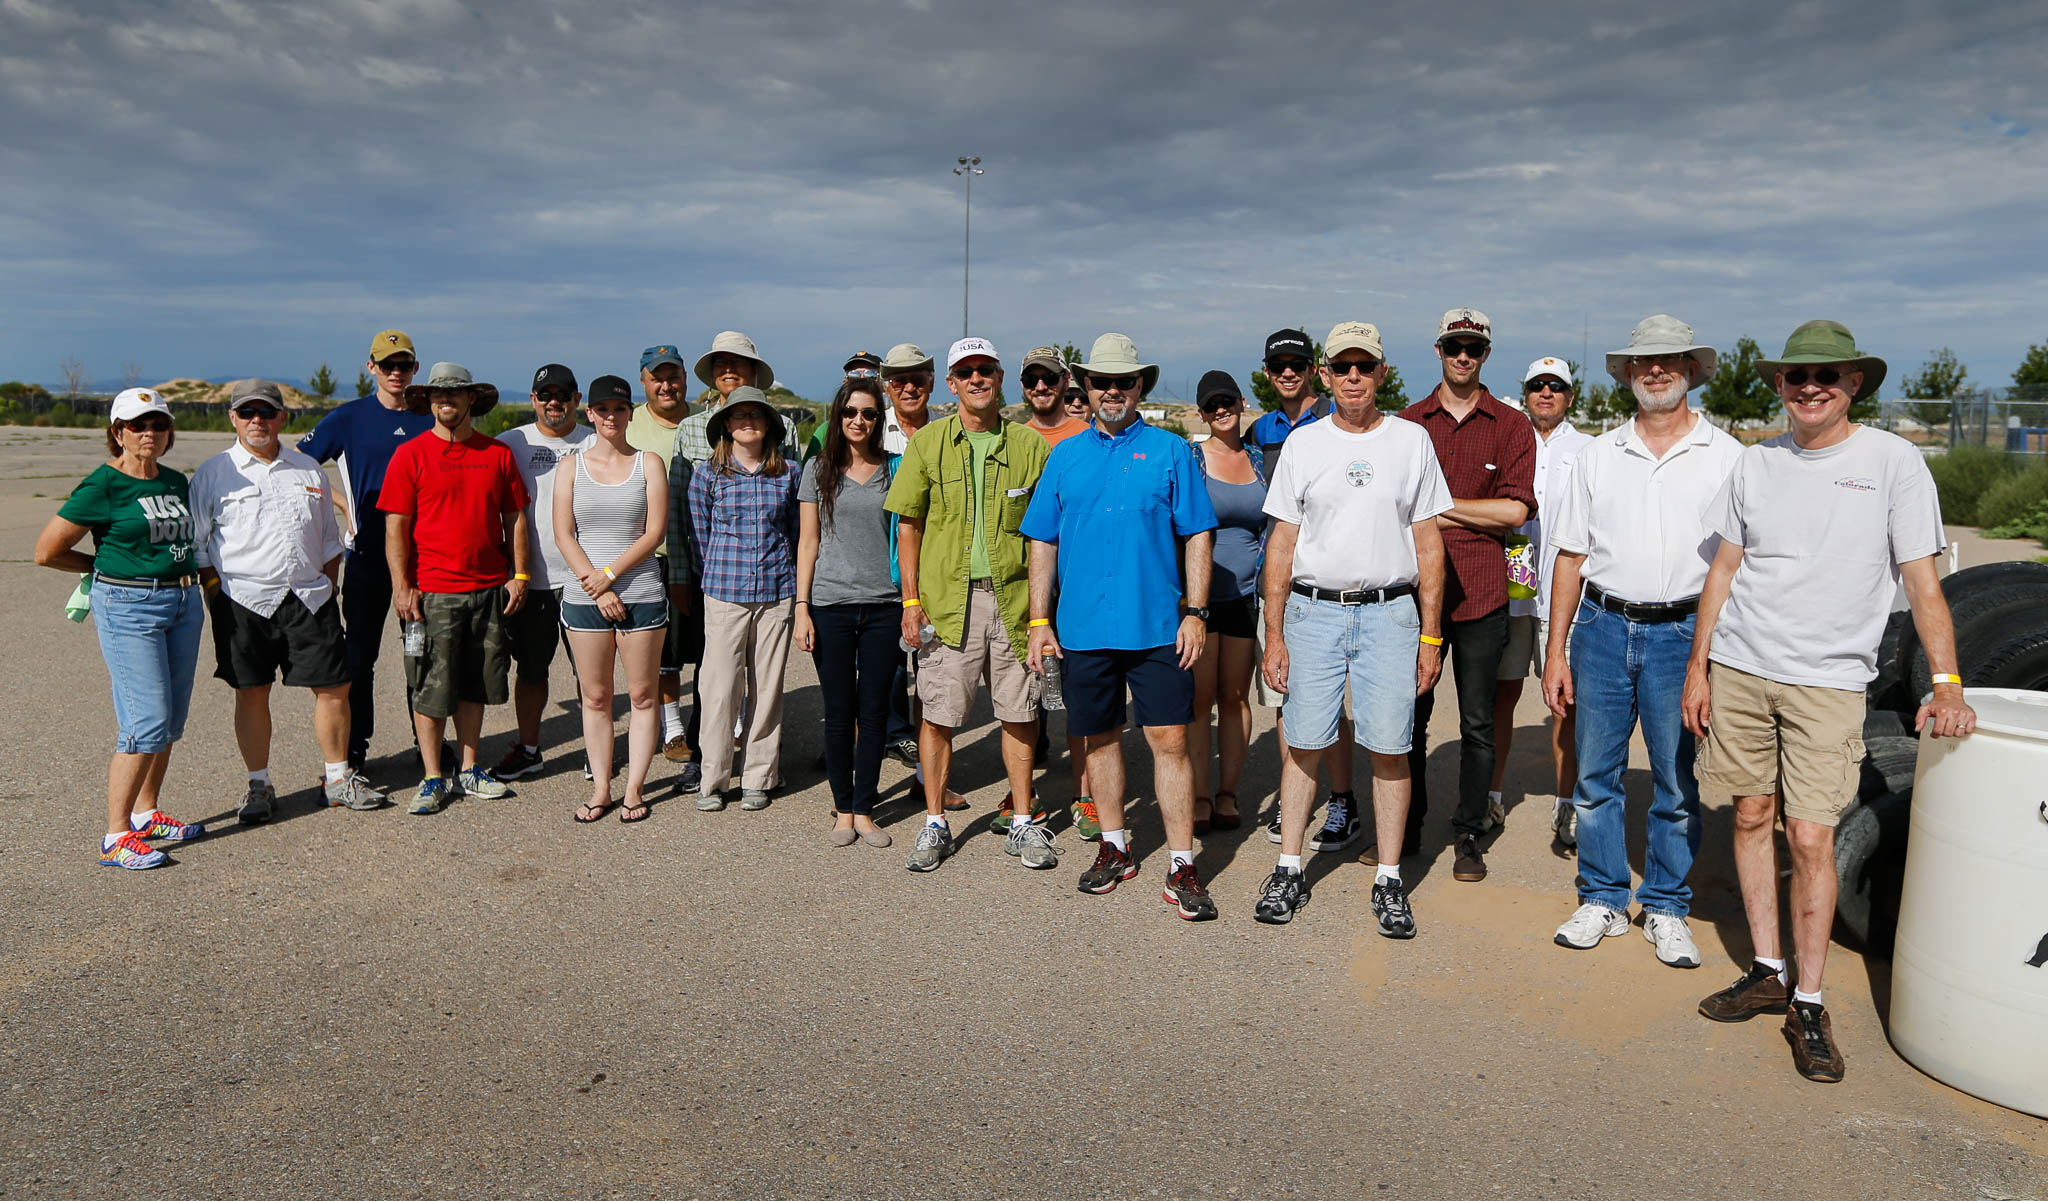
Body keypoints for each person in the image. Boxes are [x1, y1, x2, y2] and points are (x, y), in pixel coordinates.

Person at [1685, 320, 1975, 1084]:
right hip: (1741, 666)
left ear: (1854, 385)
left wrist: (1947, 682)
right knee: (1750, 814)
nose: (1809, 388)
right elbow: (1722, 571)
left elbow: (1922, 582)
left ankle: (1808, 1004)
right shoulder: (1755, 463)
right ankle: (1767, 969)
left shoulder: (1893, 462)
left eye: (1826, 376)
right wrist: (1698, 667)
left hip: (1829, 680)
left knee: (1812, 837)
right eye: (1796, 377)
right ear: (1780, 385)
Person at [1538, 318, 1742, 968]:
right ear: (1627, 372)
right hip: (1601, 627)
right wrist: (1555, 650)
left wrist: (1709, 658)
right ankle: (1602, 897)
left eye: (1669, 359)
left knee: (1676, 781)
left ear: (1691, 369)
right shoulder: (1598, 455)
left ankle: (1665, 905)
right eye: (1643, 361)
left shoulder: (1727, 455)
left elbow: (1738, 563)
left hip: (1682, 634)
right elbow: (1569, 557)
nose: (1656, 370)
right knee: (1595, 776)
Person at [1256, 323, 1450, 931]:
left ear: (1383, 373)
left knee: (1391, 749)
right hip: (1312, 612)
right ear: (1326, 373)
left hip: (1390, 614)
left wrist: (1430, 636)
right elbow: (1282, 544)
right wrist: (1275, 633)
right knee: (1304, 744)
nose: (1354, 377)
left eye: (1365, 366)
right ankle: (1290, 867)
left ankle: (1389, 879)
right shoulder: (1304, 444)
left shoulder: (1411, 441)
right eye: (1343, 367)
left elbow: (1429, 544)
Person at [1023, 333, 1219, 919]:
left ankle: (1181, 862)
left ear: (1140, 387)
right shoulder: (1065, 456)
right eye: (1102, 381)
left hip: (1158, 626)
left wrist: (1196, 612)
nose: (1113, 390)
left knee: (1171, 741)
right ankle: (1114, 846)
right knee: (1100, 739)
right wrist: (1039, 619)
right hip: (1083, 628)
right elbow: (1042, 540)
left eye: (1124, 381)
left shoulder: (1170, 451)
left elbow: (1198, 533)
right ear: (1086, 386)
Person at [885, 338, 1051, 872]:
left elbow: (1046, 534)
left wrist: (1043, 613)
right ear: (952, 383)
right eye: (966, 371)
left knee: (1019, 713)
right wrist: (911, 600)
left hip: (1015, 602)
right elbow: (908, 526)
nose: (977, 378)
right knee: (938, 715)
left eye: (985, 369)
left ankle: (1022, 821)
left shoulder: (1029, 446)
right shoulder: (928, 444)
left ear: (999, 378)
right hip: (947, 604)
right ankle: (934, 822)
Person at [1389, 308, 1537, 882]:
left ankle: (1469, 832)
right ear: (1439, 350)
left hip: (1482, 593)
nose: (1463, 357)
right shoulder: (1407, 424)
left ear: (1486, 355)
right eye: (1454, 347)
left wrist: (1436, 508)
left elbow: (1515, 511)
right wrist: (1474, 513)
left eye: (1473, 348)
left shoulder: (1511, 425)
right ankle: (1406, 826)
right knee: (1410, 716)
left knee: (1477, 722)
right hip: (1413, 595)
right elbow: (1392, 509)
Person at [190, 379, 381, 822]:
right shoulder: (213, 474)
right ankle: (258, 786)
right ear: (233, 418)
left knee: (335, 688)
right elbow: (199, 547)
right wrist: (216, 595)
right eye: (247, 412)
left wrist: (328, 587)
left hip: (309, 599)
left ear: (282, 417)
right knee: (252, 692)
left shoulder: (308, 469)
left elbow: (329, 540)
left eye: (266, 412)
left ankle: (337, 778)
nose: (257, 420)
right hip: (243, 602)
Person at [35, 388, 206, 869]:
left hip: (182, 601)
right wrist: (102, 567)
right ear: (118, 433)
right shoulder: (103, 485)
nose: (149, 432)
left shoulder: (174, 482)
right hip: (130, 605)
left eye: (158, 424)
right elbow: (46, 551)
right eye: (137, 425)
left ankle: (146, 814)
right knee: (145, 719)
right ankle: (115, 835)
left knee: (170, 719)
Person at [378, 363, 530, 814]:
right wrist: (402, 586)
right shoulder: (410, 455)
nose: (446, 401)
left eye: (455, 394)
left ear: (471, 400)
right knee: (429, 684)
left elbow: (514, 518)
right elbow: (396, 527)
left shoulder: (497, 454)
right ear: (428, 401)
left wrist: (519, 574)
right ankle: (432, 776)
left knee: (474, 682)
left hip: (488, 588)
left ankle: (469, 768)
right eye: (438, 394)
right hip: (432, 593)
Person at [296, 330, 435, 770]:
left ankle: (428, 746)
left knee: (422, 655)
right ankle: (355, 749)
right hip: (367, 559)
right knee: (359, 659)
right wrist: (343, 503)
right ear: (371, 367)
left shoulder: (430, 417)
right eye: (387, 365)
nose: (396, 373)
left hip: (423, 562)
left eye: (404, 365)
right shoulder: (348, 418)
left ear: (415, 369)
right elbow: (298, 465)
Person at [1247, 328, 1359, 850]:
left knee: (1331, 703)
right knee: (1285, 695)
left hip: (1325, 582)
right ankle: (1294, 800)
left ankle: (1342, 799)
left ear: (1315, 369)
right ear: (1267, 373)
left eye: (1297, 364)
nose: (1288, 373)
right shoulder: (1261, 430)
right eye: (1278, 366)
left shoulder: (1336, 416)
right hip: (1277, 580)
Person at [554, 375, 668, 823]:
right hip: (585, 599)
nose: (611, 417)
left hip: (640, 594)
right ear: (590, 413)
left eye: (619, 409)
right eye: (602, 409)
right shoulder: (571, 467)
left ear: (630, 413)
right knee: (597, 698)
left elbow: (654, 532)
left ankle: (634, 789)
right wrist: (596, 586)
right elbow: (564, 534)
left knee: (642, 696)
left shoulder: (648, 463)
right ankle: (601, 788)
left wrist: (609, 576)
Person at [796, 379, 902, 847]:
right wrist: (802, 608)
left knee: (875, 712)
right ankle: (842, 808)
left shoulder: (894, 469)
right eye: (850, 412)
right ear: (838, 416)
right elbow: (808, 542)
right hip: (830, 605)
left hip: (884, 605)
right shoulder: (817, 469)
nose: (859, 421)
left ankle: (864, 808)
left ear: (879, 420)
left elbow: (907, 537)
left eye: (869, 413)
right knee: (839, 712)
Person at [1496, 357, 1595, 848]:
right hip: (1513, 586)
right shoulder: (1511, 441)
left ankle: (1566, 803)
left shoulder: (1590, 449)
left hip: (1565, 592)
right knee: (1501, 694)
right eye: (1537, 385)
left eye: (1557, 386)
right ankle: (1492, 795)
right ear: (1526, 393)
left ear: (1570, 396)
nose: (1546, 392)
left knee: (1564, 704)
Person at [687, 386, 800, 812]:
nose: (747, 421)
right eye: (739, 415)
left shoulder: (788, 473)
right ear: (726, 425)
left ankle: (758, 777)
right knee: (719, 689)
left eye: (756, 414)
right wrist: (716, 574)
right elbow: (700, 536)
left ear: (769, 424)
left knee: (767, 689)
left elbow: (795, 532)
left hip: (776, 591)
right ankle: (713, 778)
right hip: (725, 593)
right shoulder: (707, 475)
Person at [491, 364, 594, 781]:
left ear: (577, 400)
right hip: (531, 580)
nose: (555, 402)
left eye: (563, 395)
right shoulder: (509, 444)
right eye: (545, 395)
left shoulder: (594, 442)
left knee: (590, 674)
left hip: (584, 580)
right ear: (533, 399)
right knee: (531, 671)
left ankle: (597, 750)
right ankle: (529, 748)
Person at [1187, 370, 1265, 834]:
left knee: (1235, 697)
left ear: (1241, 403)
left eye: (1227, 401)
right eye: (1211, 405)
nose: (1221, 410)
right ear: (1201, 413)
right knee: (1200, 700)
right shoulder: (1192, 458)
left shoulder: (1257, 459)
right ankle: (1198, 794)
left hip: (1246, 596)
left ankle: (1227, 794)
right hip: (1201, 599)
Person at [632, 345, 700, 777]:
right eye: (657, 378)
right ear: (643, 381)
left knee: (710, 648)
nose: (666, 385)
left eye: (673, 376)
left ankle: (716, 723)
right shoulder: (630, 424)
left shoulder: (705, 422)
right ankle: (672, 728)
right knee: (665, 652)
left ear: (685, 378)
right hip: (652, 556)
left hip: (705, 554)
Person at [876, 342, 943, 771]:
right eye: (899, 381)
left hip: (933, 570)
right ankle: (887, 739)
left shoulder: (946, 430)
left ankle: (926, 771)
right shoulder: (871, 429)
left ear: (931, 383)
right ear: (887, 386)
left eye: (917, 379)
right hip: (880, 568)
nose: (909, 388)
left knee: (931, 673)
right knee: (886, 670)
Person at [1019, 346, 1089, 447]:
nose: (1040, 387)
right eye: (1030, 380)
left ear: (1066, 380)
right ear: (1022, 384)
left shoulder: (1091, 438)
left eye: (1050, 378)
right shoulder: (1013, 440)